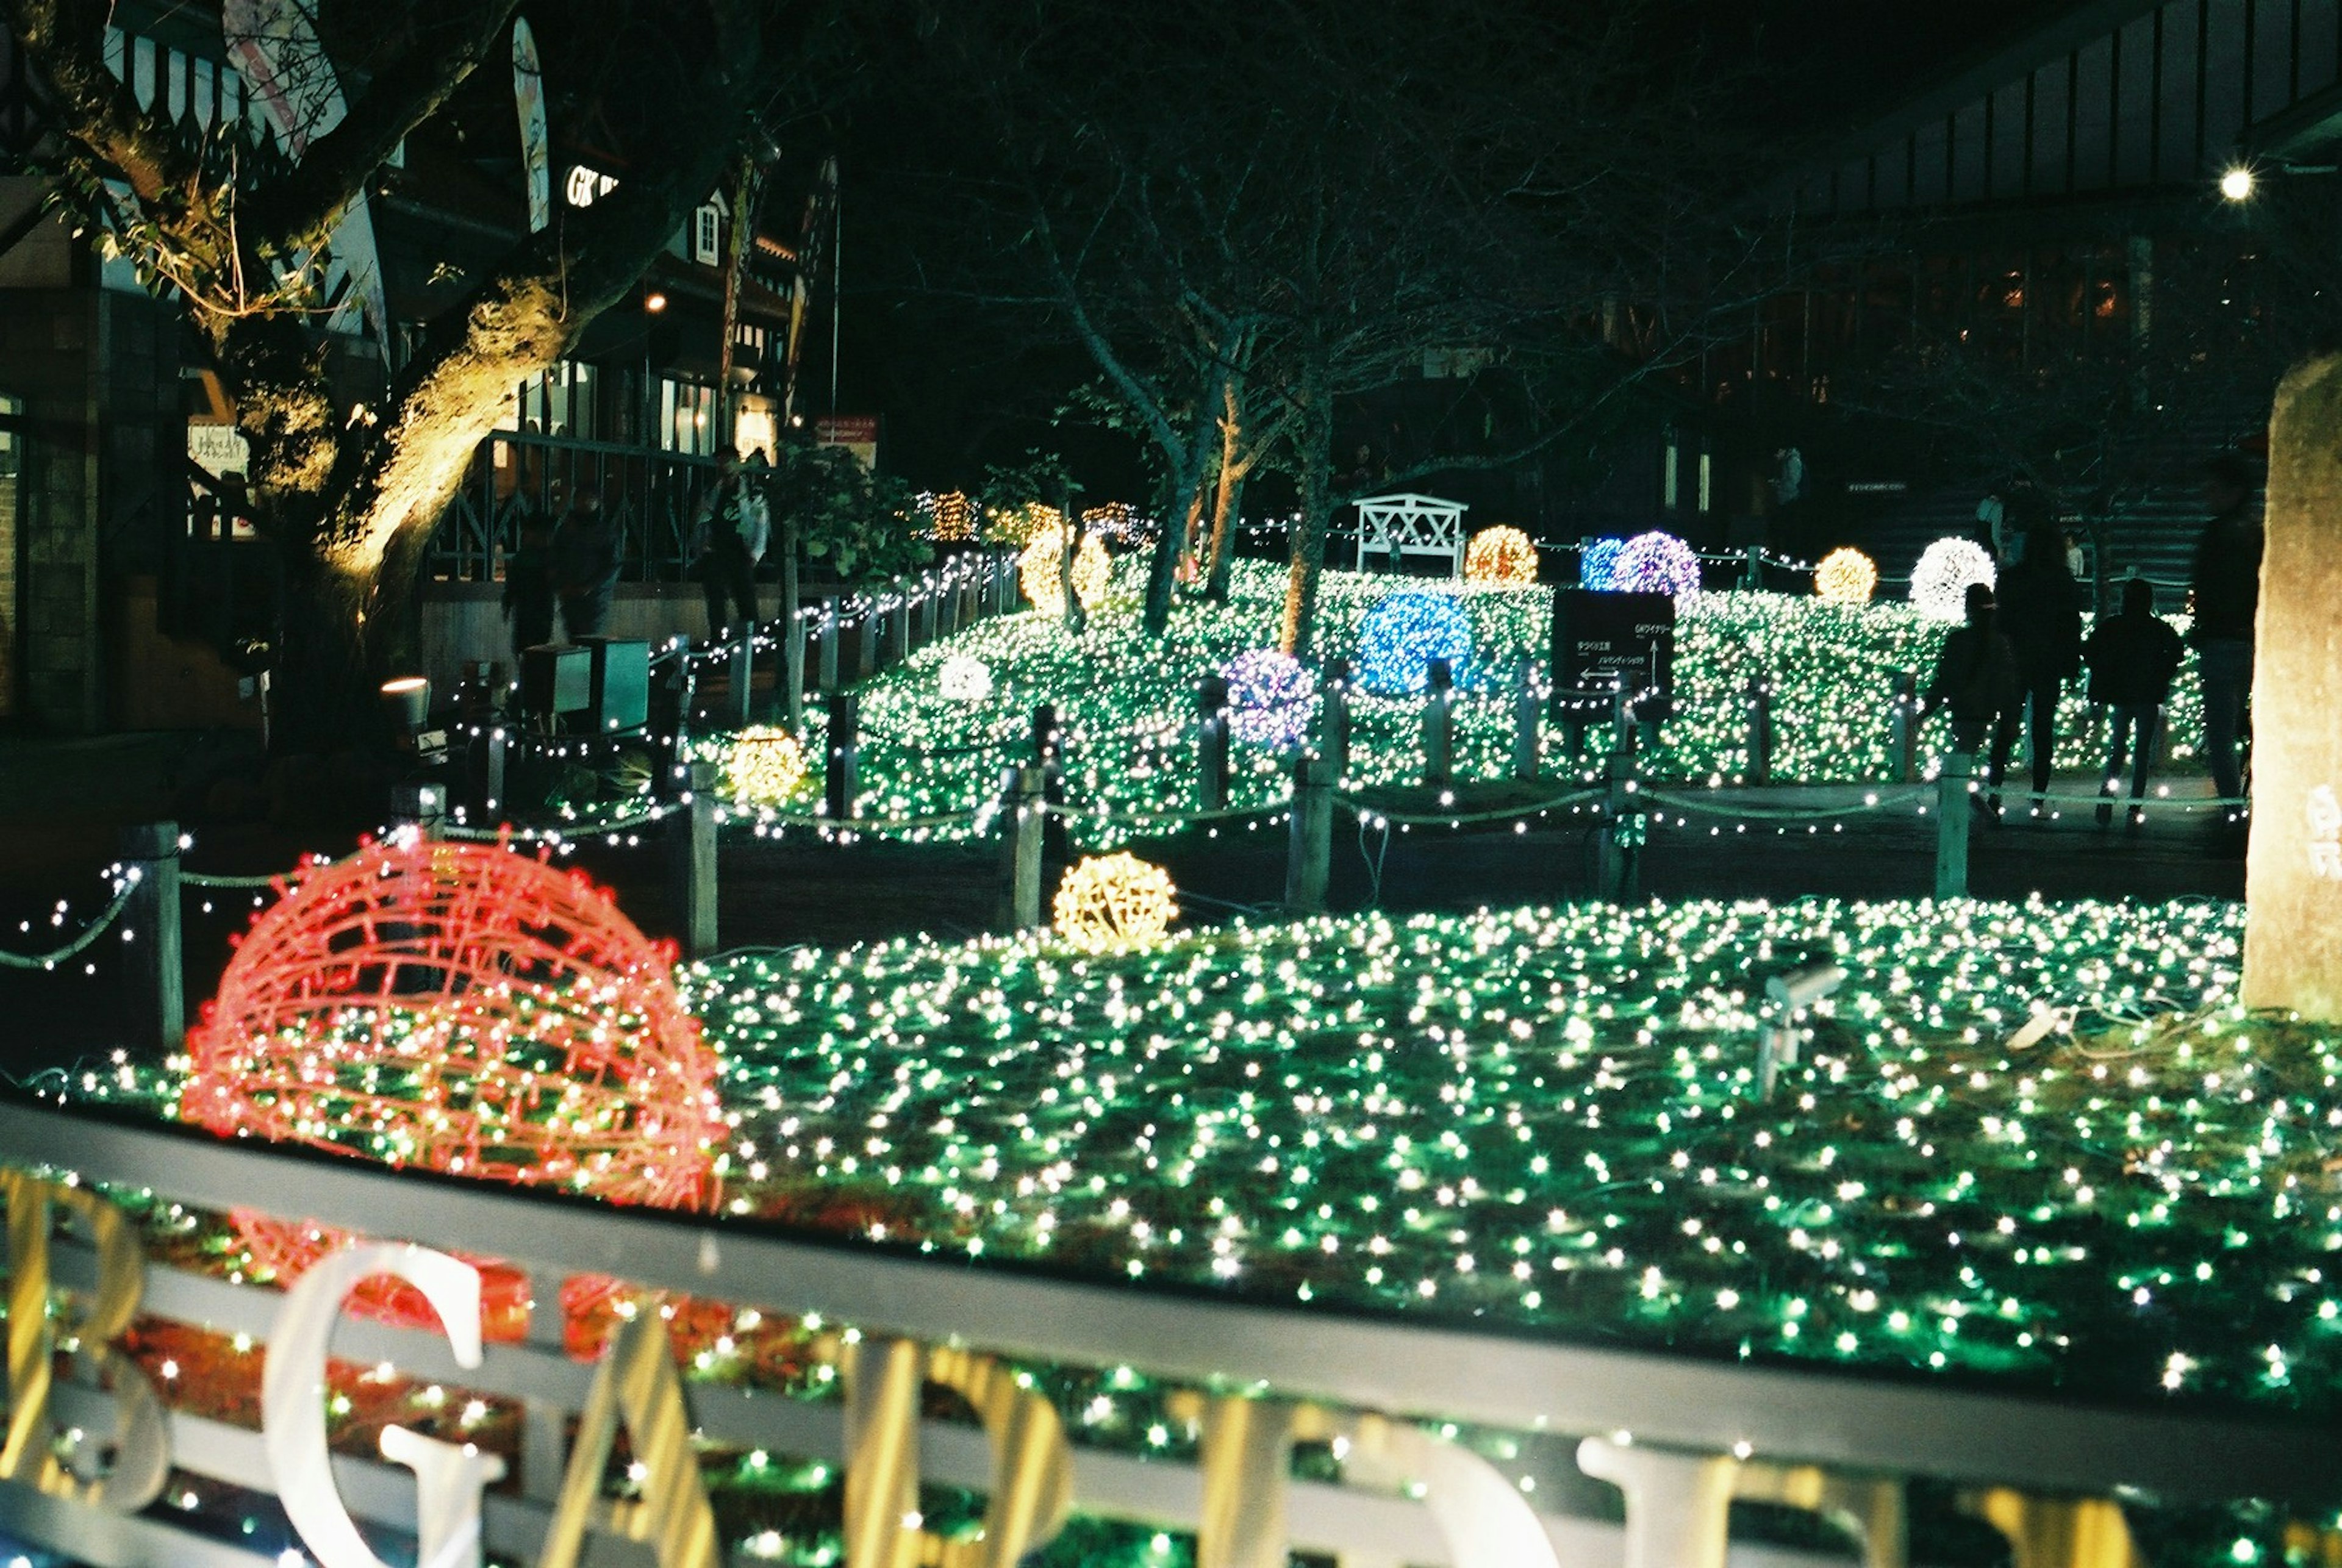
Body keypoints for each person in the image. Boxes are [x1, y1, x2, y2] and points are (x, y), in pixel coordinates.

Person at [1988, 522, 2083, 816]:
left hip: (2015, 661)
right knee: (2043, 730)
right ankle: (2038, 796)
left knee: (2006, 728)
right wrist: (2070, 664)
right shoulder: (2063, 581)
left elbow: (2000, 623)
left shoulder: (2011, 578)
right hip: (2048, 663)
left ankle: (1995, 792)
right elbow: (2071, 626)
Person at [2190, 452, 2263, 818]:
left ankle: (2232, 809)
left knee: (2220, 735)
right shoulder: (2258, 532)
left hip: (2221, 641)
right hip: (2254, 640)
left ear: (2233, 490)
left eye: (2213, 488)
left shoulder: (2216, 535)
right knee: (2257, 725)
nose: (2207, 495)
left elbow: (2206, 590)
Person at [2082, 577, 2185, 828]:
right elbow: (2177, 652)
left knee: (2117, 751)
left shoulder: (2114, 626)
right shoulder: (2157, 629)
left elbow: (2090, 650)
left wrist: (2105, 675)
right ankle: (2134, 807)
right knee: (2141, 754)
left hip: (2121, 694)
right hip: (2147, 696)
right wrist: (2161, 673)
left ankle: (2106, 802)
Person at [1925, 583, 2021, 815]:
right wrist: (2011, 716)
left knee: (1955, 772)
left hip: (1964, 711)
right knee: (1960, 769)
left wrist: (1928, 708)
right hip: (1987, 711)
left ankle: (1978, 815)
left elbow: (1944, 678)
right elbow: (2008, 683)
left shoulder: (1959, 641)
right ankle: (1980, 811)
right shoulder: (1999, 643)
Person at [695, 445, 770, 638]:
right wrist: (702, 544)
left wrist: (755, 552)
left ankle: (750, 642)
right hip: (716, 549)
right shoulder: (712, 490)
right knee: (715, 597)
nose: (725, 466)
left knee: (745, 596)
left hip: (740, 549)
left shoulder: (752, 492)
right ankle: (718, 639)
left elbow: (761, 523)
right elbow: (704, 518)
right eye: (721, 462)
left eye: (728, 461)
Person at [551, 482, 620, 640]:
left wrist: (591, 586)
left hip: (593, 599)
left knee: (590, 638)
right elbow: (555, 558)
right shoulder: (566, 530)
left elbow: (612, 566)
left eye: (591, 498)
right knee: (574, 638)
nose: (586, 502)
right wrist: (560, 585)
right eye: (581, 498)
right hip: (570, 596)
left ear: (598, 502)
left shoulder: (604, 532)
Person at [501, 512, 557, 660]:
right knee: (535, 648)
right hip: (533, 610)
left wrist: (507, 604)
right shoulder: (537, 556)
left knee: (527, 648)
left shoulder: (527, 557)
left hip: (531, 610)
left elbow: (512, 585)